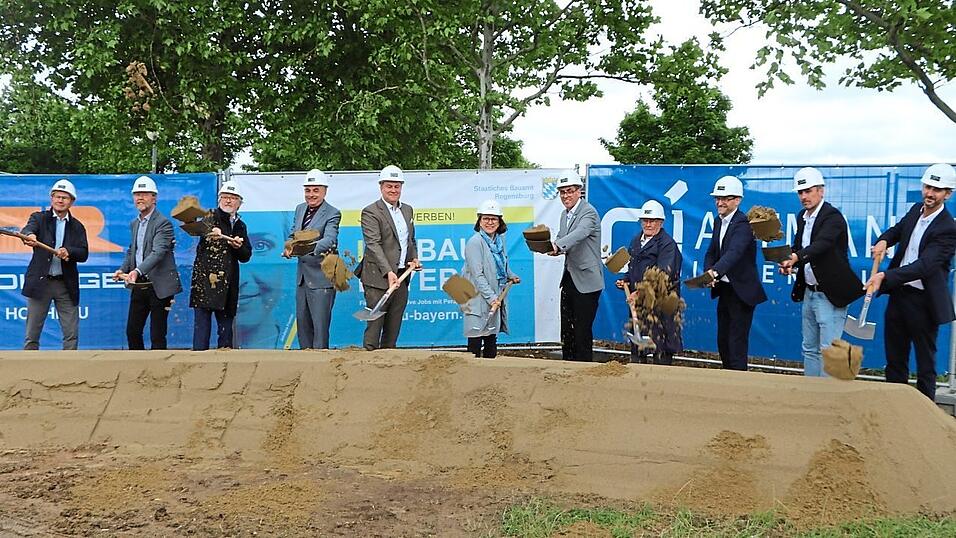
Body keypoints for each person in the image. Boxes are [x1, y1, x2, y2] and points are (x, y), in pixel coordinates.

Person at [866, 163, 956, 401]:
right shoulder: (916, 210)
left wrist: (886, 276)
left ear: (948, 194)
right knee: (895, 359)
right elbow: (896, 230)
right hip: (899, 296)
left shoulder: (948, 228)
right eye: (928, 186)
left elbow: (924, 266)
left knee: (925, 363)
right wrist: (884, 240)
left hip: (924, 302)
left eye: (937, 190)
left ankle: (926, 416)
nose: (930, 193)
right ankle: (895, 408)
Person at [778, 167, 864, 377]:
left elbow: (821, 245)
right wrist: (789, 262)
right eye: (800, 192)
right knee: (809, 348)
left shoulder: (833, 217)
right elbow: (800, 247)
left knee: (829, 351)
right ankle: (813, 396)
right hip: (809, 291)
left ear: (821, 191)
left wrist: (796, 257)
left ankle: (829, 399)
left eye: (808, 191)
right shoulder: (802, 217)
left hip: (830, 295)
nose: (804, 196)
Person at [703, 175, 767, 371]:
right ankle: (727, 381)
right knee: (723, 339)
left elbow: (735, 253)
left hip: (742, 292)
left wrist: (715, 272)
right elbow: (712, 251)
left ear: (737, 200)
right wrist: (708, 271)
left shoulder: (744, 224)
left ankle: (739, 384)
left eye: (726, 198)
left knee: (736, 342)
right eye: (718, 198)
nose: (720, 202)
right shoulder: (717, 221)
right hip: (725, 289)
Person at [114, 176, 182, 350]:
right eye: (137, 194)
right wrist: (122, 269)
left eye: (145, 194)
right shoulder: (134, 223)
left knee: (157, 334)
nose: (140, 198)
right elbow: (133, 251)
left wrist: (136, 271)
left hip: (159, 286)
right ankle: (137, 372)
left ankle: (159, 374)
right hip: (140, 285)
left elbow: (158, 253)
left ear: (154, 198)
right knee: (132, 331)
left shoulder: (163, 223)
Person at [20, 179, 89, 350]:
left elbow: (83, 253)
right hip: (40, 283)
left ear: (72, 202)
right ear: (51, 198)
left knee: (71, 334)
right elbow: (28, 230)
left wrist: (69, 252)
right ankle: (28, 369)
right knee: (32, 334)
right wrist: (30, 236)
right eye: (57, 196)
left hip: (65, 285)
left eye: (65, 198)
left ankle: (70, 371)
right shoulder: (39, 218)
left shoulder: (77, 226)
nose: (60, 200)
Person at [358, 165, 420, 350]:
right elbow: (373, 244)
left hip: (401, 277)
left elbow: (410, 240)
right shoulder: (371, 212)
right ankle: (367, 368)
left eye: (397, 186)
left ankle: (388, 367)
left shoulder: (407, 210)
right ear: (381, 187)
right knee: (375, 326)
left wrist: (413, 258)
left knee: (393, 327)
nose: (393, 190)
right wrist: (388, 272)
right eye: (389, 186)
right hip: (378, 278)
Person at [615, 200, 682, 364]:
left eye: (652, 221)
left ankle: (662, 383)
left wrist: (641, 292)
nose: (648, 224)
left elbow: (662, 274)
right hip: (639, 306)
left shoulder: (668, 245)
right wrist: (625, 281)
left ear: (661, 222)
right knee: (638, 350)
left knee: (662, 350)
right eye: (645, 220)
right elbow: (633, 267)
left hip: (661, 304)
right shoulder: (636, 240)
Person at [282, 169, 341, 349]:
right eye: (308, 190)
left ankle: (321, 370)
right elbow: (294, 234)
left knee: (320, 330)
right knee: (304, 328)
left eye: (316, 190)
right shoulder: (300, 209)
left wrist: (305, 248)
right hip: (302, 279)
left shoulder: (333, 213)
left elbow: (330, 240)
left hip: (322, 278)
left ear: (324, 191)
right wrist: (290, 248)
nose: (311, 194)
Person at [189, 181, 252, 350]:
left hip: (228, 285)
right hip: (205, 283)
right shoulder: (210, 217)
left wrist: (238, 247)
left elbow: (246, 256)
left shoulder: (240, 225)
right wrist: (211, 231)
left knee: (225, 335)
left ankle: (225, 369)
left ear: (239, 202)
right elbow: (201, 228)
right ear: (219, 200)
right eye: (225, 197)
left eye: (233, 198)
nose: (228, 201)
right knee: (201, 331)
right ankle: (198, 364)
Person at [548, 172, 602, 361]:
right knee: (567, 329)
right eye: (562, 192)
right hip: (570, 278)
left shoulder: (589, 212)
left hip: (587, 281)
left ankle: (583, 370)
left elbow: (581, 232)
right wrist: (552, 247)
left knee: (581, 330)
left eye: (569, 191)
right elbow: (563, 238)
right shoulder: (565, 215)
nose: (565, 196)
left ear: (579, 191)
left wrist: (558, 245)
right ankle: (568, 368)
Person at [461, 200, 520, 358]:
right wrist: (492, 298)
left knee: (490, 337)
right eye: (485, 218)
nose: (489, 222)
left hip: (492, 295)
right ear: (479, 220)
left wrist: (511, 275)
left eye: (493, 219)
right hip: (474, 297)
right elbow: (477, 274)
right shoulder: (475, 242)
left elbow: (501, 263)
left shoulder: (500, 241)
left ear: (500, 221)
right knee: (475, 338)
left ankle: (489, 376)